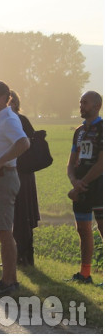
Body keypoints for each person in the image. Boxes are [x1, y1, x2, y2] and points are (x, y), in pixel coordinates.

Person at [0, 80, 30, 297]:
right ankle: (8, 279)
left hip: (3, 177)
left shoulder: (9, 119)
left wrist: (0, 161)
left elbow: (24, 143)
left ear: (3, 98)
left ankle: (9, 281)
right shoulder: (0, 119)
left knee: (4, 232)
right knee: (2, 231)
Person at [66, 91, 102, 284]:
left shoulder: (103, 128)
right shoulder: (78, 131)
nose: (81, 105)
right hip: (80, 188)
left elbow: (101, 164)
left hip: (98, 188)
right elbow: (71, 162)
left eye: (85, 103)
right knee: (83, 230)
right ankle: (85, 274)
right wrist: (74, 181)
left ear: (97, 105)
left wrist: (80, 186)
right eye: (80, 102)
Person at [9, 90, 40, 266]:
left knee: (22, 214)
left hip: (21, 172)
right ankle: (19, 254)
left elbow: (29, 144)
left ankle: (23, 255)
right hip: (20, 172)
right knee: (18, 214)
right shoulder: (15, 121)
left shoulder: (19, 120)